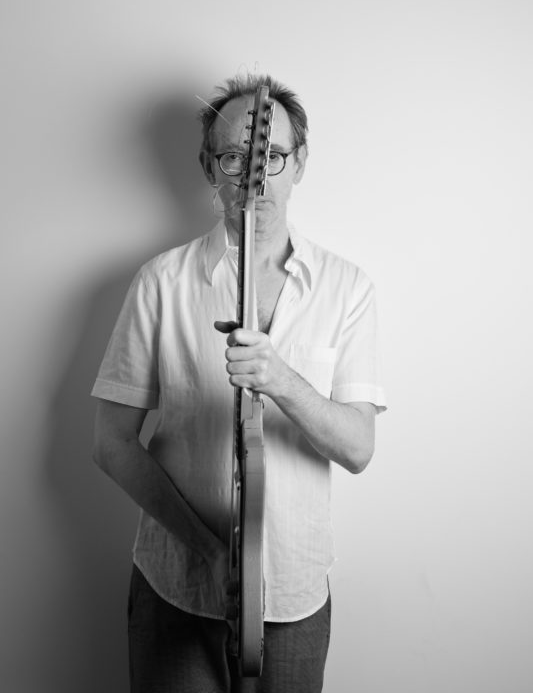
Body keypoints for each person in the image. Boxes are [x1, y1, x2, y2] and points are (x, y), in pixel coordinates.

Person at [92, 73, 387, 693]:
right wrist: (204, 549)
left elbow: (358, 448)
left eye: (272, 155)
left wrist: (281, 378)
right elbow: (112, 442)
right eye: (233, 156)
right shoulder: (161, 283)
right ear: (210, 168)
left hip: (292, 598)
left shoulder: (347, 288)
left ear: (299, 163)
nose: (254, 175)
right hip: (176, 587)